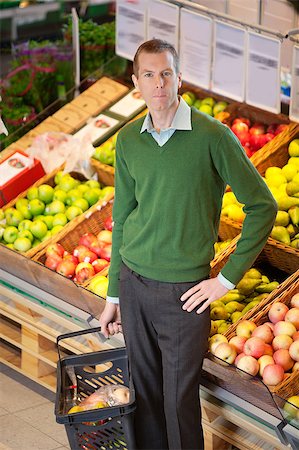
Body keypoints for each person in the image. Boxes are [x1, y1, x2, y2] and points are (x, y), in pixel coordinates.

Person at [99, 39, 277, 450]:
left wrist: (225, 281)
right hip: (133, 284)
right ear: (136, 83)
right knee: (142, 396)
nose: (158, 83)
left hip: (186, 294)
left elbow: (263, 207)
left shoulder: (213, 136)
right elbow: (123, 218)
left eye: (166, 73)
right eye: (148, 75)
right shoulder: (128, 141)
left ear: (180, 79)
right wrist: (113, 293)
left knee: (178, 403)